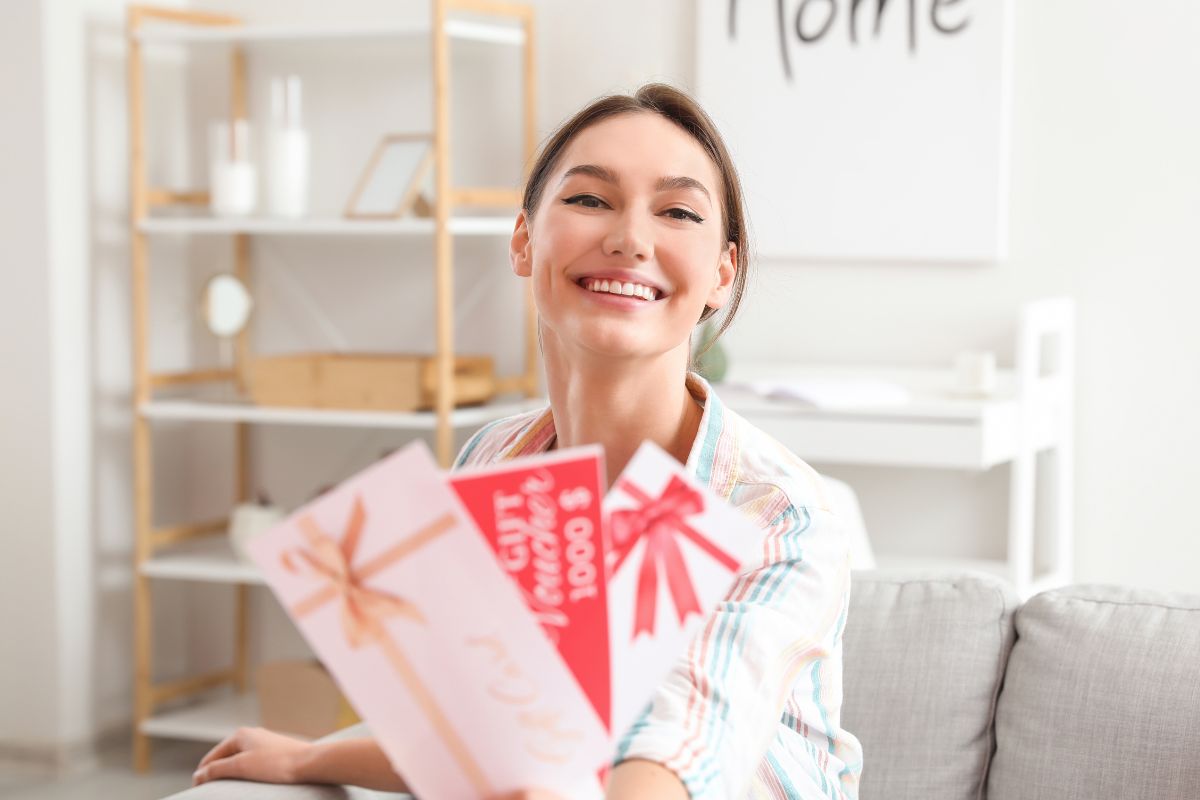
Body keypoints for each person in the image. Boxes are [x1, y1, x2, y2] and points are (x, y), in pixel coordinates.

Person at [192, 83, 862, 799]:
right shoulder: (491, 460)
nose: (630, 239)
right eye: (590, 199)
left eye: (677, 212)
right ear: (522, 240)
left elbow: (685, 739)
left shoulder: (776, 512)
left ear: (721, 275)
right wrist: (309, 761)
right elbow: (490, 733)